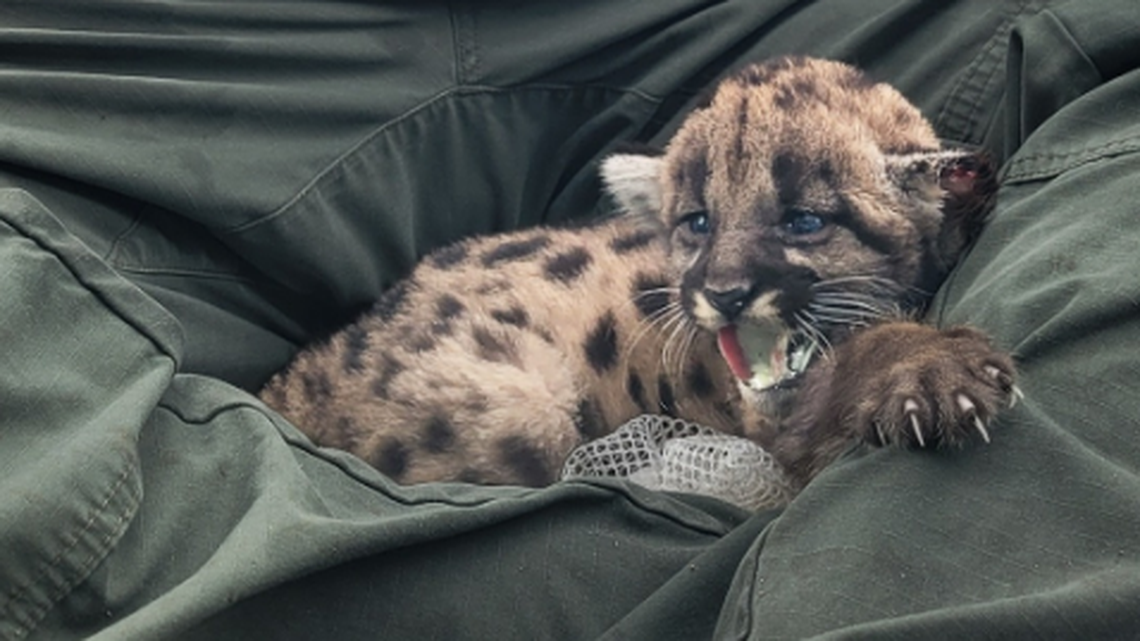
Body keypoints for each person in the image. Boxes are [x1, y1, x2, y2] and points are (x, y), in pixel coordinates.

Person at [3, 1, 1139, 638]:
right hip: (456, 374)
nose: (727, 279)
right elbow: (797, 398)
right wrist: (889, 348)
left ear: (943, 191)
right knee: (517, 425)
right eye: (695, 229)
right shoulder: (752, 291)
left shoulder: (945, 177)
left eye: (799, 225)